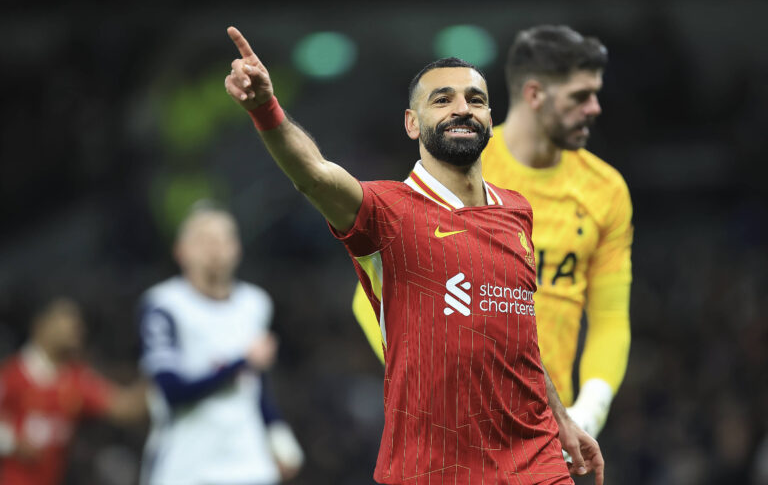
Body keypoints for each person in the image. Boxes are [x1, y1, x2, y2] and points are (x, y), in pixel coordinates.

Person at [224, 26, 603, 485]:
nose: (462, 108)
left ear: (489, 117)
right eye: (442, 100)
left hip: (535, 464)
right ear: (411, 123)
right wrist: (265, 108)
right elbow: (316, 176)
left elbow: (518, 337)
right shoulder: (387, 211)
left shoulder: (518, 211)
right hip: (430, 470)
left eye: (475, 100)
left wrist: (560, 416)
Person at [352, 25, 633, 439]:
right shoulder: (460, 163)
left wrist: (588, 412)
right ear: (535, 95)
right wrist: (430, 388)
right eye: (579, 96)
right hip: (454, 424)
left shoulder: (606, 190)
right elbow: (371, 300)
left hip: (547, 427)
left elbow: (609, 318)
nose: (594, 108)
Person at [138, 202, 304, 485]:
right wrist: (241, 363)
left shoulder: (255, 303)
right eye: (203, 239)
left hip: (250, 466)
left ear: (237, 248)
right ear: (181, 251)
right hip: (187, 467)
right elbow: (171, 392)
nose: (215, 248)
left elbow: (256, 386)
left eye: (224, 239)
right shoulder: (164, 305)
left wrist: (277, 433)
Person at [0, 297, 147, 485]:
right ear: (41, 324)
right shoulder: (11, 375)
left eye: (78, 323)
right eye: (66, 320)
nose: (76, 329)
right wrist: (11, 443)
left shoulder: (77, 379)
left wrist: (158, 373)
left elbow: (125, 408)